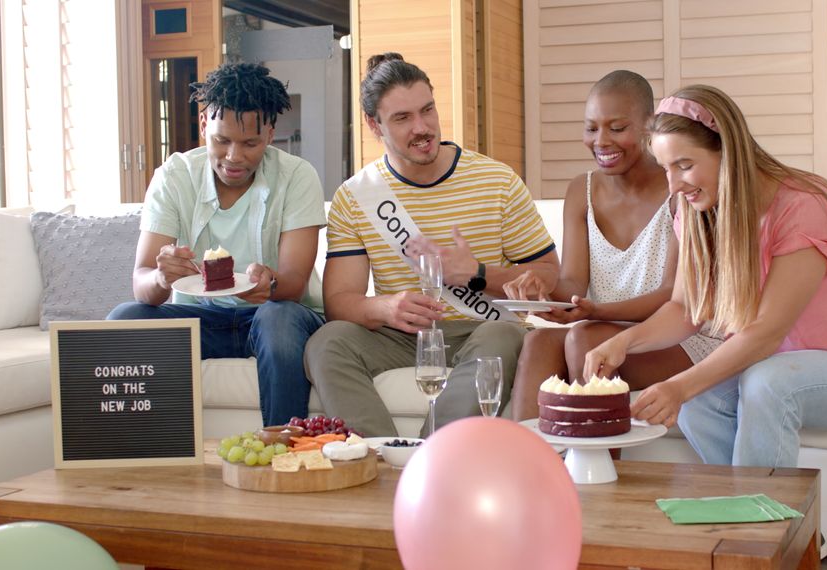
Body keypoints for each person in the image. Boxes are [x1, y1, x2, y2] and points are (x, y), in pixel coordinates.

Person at [583, 84, 827, 468]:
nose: (674, 185)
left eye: (684, 165)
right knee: (699, 405)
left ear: (729, 151)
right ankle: (762, 515)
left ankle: (760, 523)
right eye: (666, 169)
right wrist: (625, 342)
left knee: (766, 384)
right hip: (771, 365)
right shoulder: (696, 209)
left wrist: (679, 386)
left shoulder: (805, 205)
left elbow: (767, 331)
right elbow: (685, 308)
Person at [304, 53, 559, 438]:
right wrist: (386, 307)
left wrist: (476, 274)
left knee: (503, 336)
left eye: (427, 110)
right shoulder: (355, 197)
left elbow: (548, 276)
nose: (422, 128)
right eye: (402, 118)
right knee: (327, 342)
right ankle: (381, 453)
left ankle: (433, 455)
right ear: (374, 125)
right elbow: (339, 301)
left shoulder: (497, 181)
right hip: (402, 335)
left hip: (481, 327)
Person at [108, 63, 326, 427]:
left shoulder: (297, 177)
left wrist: (268, 282)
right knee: (124, 318)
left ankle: (283, 448)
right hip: (202, 321)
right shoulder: (174, 177)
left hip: (275, 317)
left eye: (250, 143)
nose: (234, 157)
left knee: (278, 317)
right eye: (222, 140)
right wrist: (162, 278)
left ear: (270, 134)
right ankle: (156, 452)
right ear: (204, 122)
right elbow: (141, 281)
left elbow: (294, 282)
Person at [504, 71, 723, 421]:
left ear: (649, 128)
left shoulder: (681, 190)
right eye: (592, 128)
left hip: (679, 336)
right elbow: (573, 284)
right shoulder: (581, 191)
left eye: (617, 128)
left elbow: (673, 297)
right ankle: (530, 468)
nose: (601, 141)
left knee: (584, 339)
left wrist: (595, 313)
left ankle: (602, 467)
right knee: (539, 342)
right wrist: (541, 289)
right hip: (601, 329)